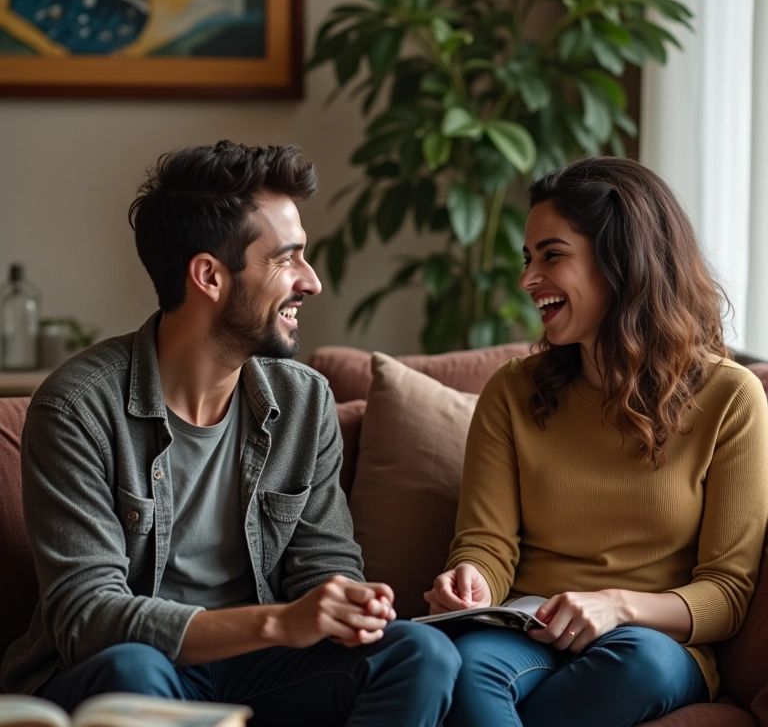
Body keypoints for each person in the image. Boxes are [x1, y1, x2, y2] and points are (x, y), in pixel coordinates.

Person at [0, 140, 460, 726]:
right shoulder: (77, 408)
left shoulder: (304, 400)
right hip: (132, 667)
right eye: (287, 259)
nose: (312, 282)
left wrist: (347, 603)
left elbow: (324, 565)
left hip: (261, 669)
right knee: (133, 673)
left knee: (421, 654)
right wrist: (278, 622)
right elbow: (86, 617)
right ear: (209, 276)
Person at [425, 156, 768, 727]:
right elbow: (486, 542)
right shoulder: (512, 391)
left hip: (648, 641)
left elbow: (727, 593)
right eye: (528, 259)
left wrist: (615, 606)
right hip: (528, 631)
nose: (528, 280)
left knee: (641, 665)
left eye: (552, 255)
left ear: (621, 261)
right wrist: (473, 581)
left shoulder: (731, 397)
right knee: (463, 667)